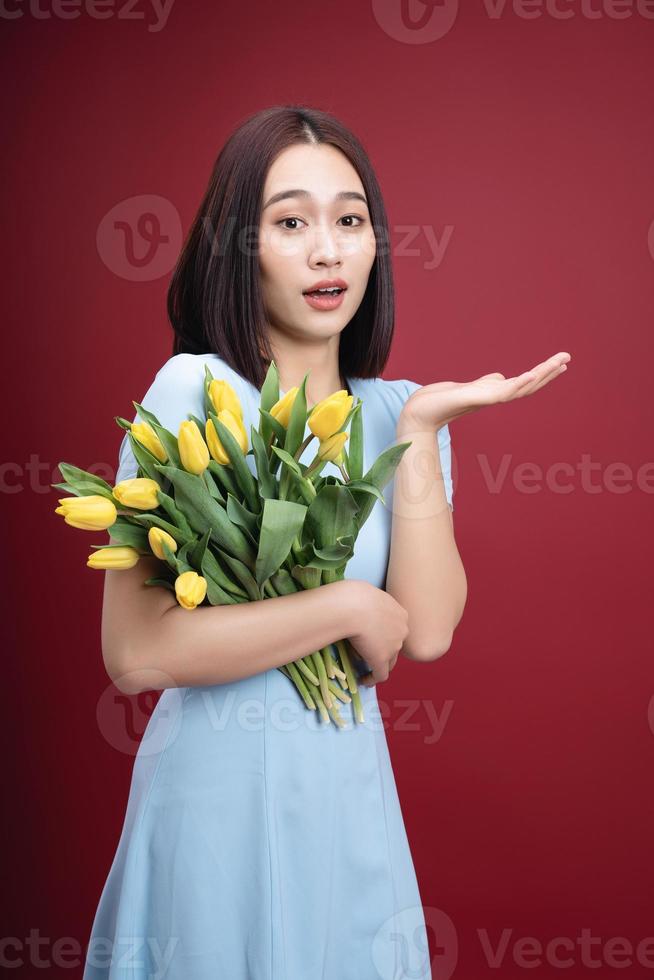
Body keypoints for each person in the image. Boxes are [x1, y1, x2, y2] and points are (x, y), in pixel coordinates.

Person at [83, 104, 570, 980]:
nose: (327, 251)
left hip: (347, 793)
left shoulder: (399, 412)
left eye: (349, 221)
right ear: (239, 246)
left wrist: (421, 431)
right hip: (214, 795)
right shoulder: (195, 390)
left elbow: (422, 632)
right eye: (290, 222)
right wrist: (345, 603)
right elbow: (136, 649)